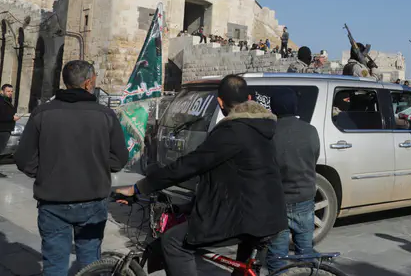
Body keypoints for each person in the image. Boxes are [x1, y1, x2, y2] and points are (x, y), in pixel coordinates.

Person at [115, 75, 286, 276]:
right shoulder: (262, 128)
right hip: (267, 213)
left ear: (220, 102)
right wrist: (188, 206)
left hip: (247, 218)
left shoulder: (232, 131)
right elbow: (230, 178)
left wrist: (139, 187)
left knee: (173, 242)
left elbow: (189, 165)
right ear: (248, 98)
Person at [15, 61, 129, 276]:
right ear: (88, 83)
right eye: (94, 80)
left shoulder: (42, 113)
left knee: (55, 265)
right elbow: (119, 158)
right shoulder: (105, 115)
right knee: (90, 264)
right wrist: (97, 168)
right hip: (92, 199)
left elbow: (23, 158)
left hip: (53, 200)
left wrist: (44, 173)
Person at [265, 88, 321, 273]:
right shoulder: (310, 131)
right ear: (295, 107)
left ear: (273, 108)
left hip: (277, 203)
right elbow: (314, 158)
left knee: (277, 256)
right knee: (306, 250)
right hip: (304, 199)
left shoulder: (268, 134)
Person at [0, 84, 19, 158]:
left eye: (11, 91)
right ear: (2, 91)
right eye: (8, 91)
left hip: (6, 129)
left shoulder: (7, 100)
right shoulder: (2, 101)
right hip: (2, 129)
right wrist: (12, 118)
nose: (10, 93)